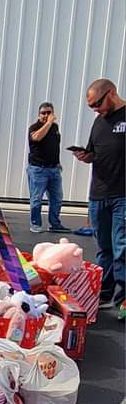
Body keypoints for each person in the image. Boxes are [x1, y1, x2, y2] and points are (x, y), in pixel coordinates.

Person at [71, 78, 124, 309]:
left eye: (98, 104)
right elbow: (94, 152)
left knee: (122, 246)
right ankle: (104, 292)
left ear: (111, 94)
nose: (95, 110)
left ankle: (122, 299)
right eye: (91, 106)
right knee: (104, 247)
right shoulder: (98, 122)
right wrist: (85, 156)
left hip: (122, 193)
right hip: (98, 194)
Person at [25, 102, 70, 234]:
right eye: (43, 113)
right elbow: (36, 138)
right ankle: (36, 224)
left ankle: (55, 224)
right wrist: (48, 123)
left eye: (49, 112)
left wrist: (58, 163)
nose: (46, 115)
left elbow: (54, 147)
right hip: (38, 169)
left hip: (53, 169)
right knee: (36, 198)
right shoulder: (35, 127)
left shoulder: (55, 127)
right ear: (39, 115)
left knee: (57, 198)